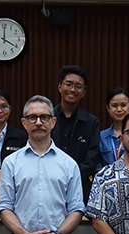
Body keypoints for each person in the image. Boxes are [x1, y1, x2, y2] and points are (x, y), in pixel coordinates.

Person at [0, 95, 84, 234]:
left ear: (53, 122)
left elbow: (77, 209)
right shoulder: (11, 163)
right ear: (24, 123)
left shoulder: (68, 164)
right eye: (32, 117)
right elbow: (4, 207)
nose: (38, 122)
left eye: (44, 117)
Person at [51, 65, 101, 200]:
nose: (72, 89)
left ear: (84, 92)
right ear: (60, 86)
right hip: (49, 185)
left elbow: (91, 159)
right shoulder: (47, 118)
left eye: (78, 86)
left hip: (80, 189)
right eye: (68, 84)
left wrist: (70, 178)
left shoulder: (91, 123)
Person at [99, 87, 129, 166]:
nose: (119, 109)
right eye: (114, 105)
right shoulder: (101, 136)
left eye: (123, 105)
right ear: (108, 108)